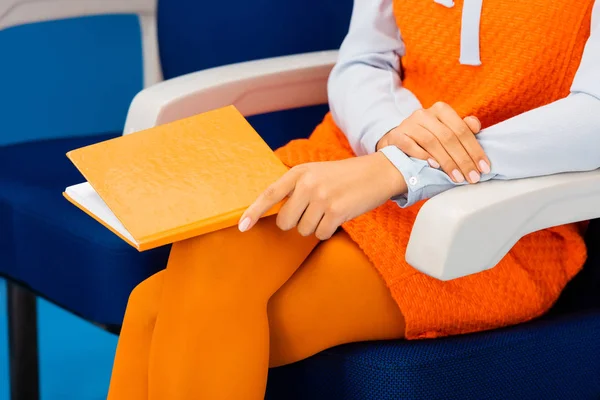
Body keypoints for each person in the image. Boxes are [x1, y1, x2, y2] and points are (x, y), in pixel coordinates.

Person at [107, 0, 600, 398]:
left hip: (493, 216)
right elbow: (365, 59)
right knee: (205, 258)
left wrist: (401, 169)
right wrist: (386, 135)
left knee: (157, 309)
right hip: (346, 158)